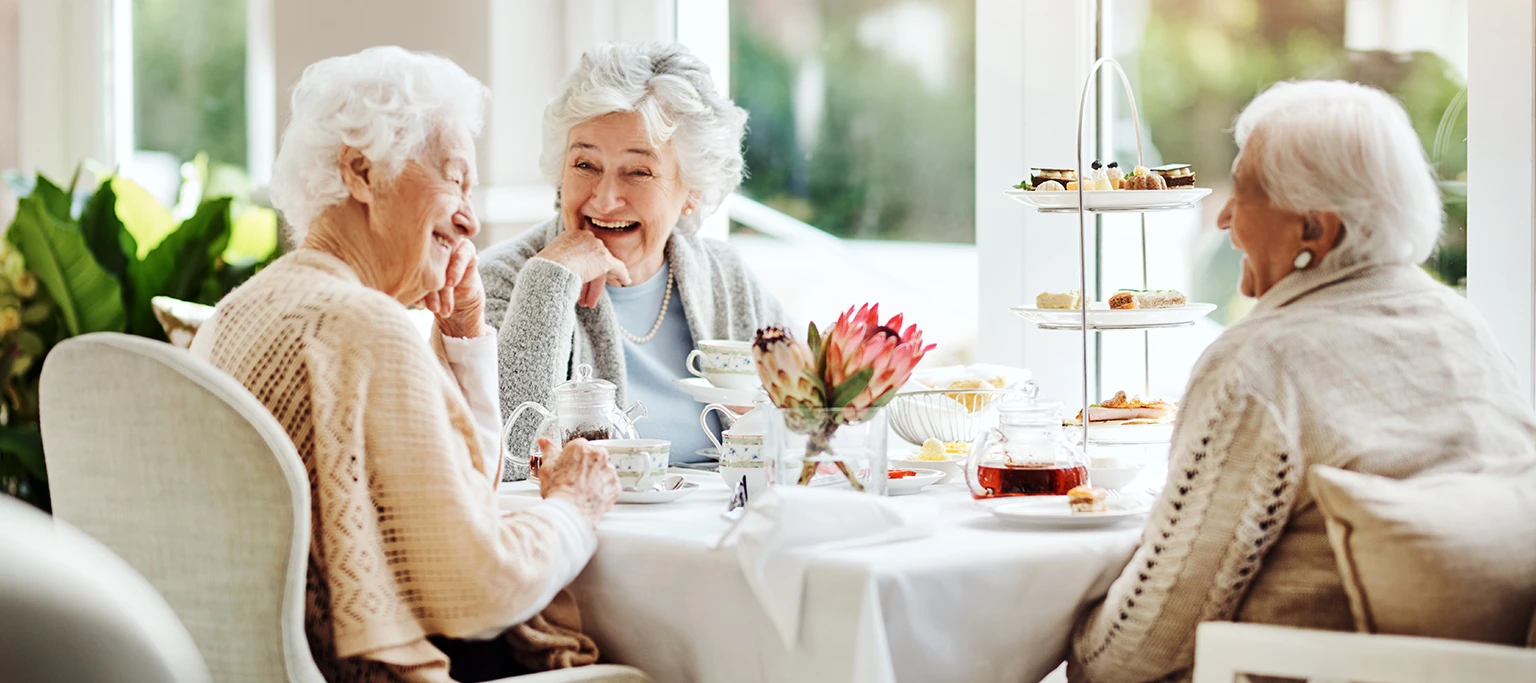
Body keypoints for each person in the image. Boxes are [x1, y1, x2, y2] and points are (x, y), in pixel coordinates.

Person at [1068, 80, 1536, 682]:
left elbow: (1144, 643)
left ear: (1314, 230)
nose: (1224, 217)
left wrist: (1067, 658)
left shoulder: (1260, 362)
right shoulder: (1460, 325)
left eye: (1243, 192)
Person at [191, 46, 621, 682]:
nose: (470, 219)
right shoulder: (364, 329)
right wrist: (574, 506)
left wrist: (464, 334)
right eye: (455, 180)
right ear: (362, 172)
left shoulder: (236, 312)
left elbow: (456, 500)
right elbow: (483, 588)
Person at [479, 42, 787, 475]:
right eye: (585, 165)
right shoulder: (502, 279)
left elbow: (808, 420)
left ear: (692, 191)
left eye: (638, 171)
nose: (604, 199)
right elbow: (505, 460)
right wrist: (550, 281)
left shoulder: (724, 276)